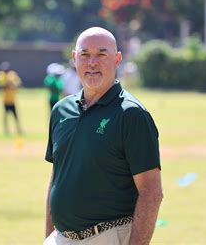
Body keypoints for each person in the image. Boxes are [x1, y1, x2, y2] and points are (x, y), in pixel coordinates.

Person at [44, 27, 163, 245]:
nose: (92, 63)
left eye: (101, 54)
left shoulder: (132, 115)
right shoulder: (61, 110)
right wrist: (49, 236)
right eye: (85, 55)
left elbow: (151, 192)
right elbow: (57, 177)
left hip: (107, 237)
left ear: (117, 59)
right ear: (74, 58)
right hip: (61, 239)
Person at [0, 61, 23, 135]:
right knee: (6, 115)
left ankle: (18, 129)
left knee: (15, 115)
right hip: (5, 99)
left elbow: (18, 83)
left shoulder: (12, 74)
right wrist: (10, 85)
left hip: (12, 99)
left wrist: (13, 85)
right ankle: (6, 130)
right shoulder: (0, 75)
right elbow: (2, 86)